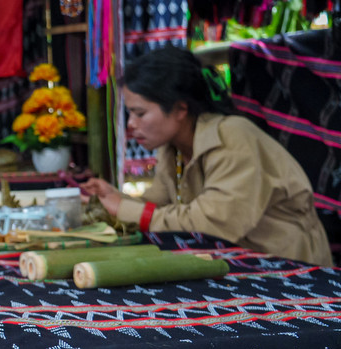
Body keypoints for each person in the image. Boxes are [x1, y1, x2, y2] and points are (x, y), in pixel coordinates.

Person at [81, 46, 332, 266]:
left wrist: (123, 209)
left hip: (288, 267)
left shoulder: (233, 137)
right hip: (237, 262)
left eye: (140, 113)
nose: (131, 124)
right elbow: (159, 205)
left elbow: (210, 224)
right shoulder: (172, 148)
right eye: (130, 114)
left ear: (180, 108)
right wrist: (112, 198)